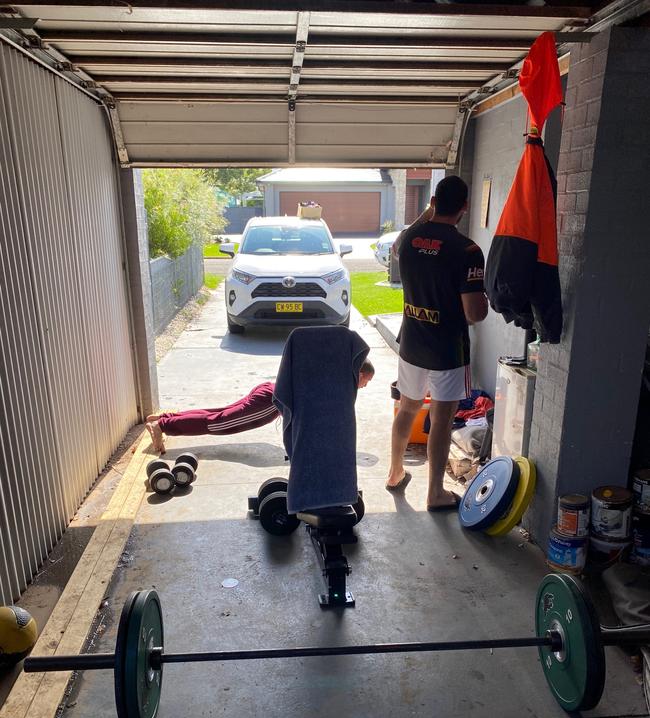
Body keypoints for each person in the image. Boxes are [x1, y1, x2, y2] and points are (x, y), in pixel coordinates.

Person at [385, 176, 488, 511]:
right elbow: (474, 314)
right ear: (465, 207)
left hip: (413, 341)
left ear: (432, 201)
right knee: (442, 420)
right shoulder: (468, 251)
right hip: (447, 348)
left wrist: (426, 213)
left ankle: (395, 471)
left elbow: (398, 242)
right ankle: (435, 494)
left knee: (408, 406)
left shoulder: (410, 238)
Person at [146, 359, 375, 454]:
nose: (365, 386)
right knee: (219, 424)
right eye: (367, 381)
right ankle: (162, 425)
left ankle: (165, 418)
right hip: (270, 401)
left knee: (219, 414)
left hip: (268, 391)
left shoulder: (334, 376)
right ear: (361, 374)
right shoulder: (338, 382)